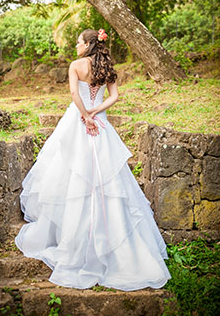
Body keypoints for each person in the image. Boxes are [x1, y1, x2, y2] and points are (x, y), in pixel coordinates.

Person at [15, 29, 171, 291]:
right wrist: (96, 113)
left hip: (78, 122)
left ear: (88, 44)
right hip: (100, 125)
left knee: (73, 174)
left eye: (78, 42)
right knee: (106, 181)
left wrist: (85, 116)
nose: (76, 47)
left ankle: (75, 245)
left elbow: (76, 96)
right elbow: (114, 96)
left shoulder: (76, 66)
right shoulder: (107, 66)